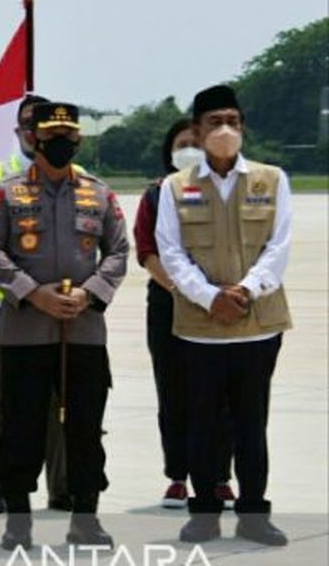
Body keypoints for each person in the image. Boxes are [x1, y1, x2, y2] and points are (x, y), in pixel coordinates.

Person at [0, 101, 128, 551]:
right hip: (25, 328)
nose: (61, 143)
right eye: (51, 136)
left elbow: (119, 251)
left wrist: (90, 292)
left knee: (85, 426)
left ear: (78, 140)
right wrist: (31, 291)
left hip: (82, 329)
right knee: (20, 425)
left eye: (68, 136)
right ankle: (18, 521)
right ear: (35, 140)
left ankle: (85, 517)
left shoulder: (98, 193)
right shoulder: (6, 193)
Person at [155, 85, 292, 547]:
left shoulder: (272, 179)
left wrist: (246, 290)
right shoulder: (177, 187)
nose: (224, 130)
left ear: (244, 127)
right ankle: (204, 515)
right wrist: (208, 296)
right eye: (214, 122)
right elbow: (170, 253)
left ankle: (254, 514)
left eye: (232, 121)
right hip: (200, 329)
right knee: (203, 425)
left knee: (252, 424)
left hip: (257, 325)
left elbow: (279, 245)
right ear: (196, 131)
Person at [0, 94, 70, 515]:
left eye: (47, 126)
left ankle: (64, 486)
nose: (37, 133)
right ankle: (2, 485)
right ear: (19, 131)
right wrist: (31, 291)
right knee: (7, 398)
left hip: (63, 306)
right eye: (30, 125)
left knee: (61, 397)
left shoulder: (77, 177)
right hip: (6, 304)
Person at [133, 119, 235, 509]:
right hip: (170, 303)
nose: (189, 149)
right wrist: (184, 290)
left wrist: (216, 295)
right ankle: (178, 476)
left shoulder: (227, 192)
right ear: (169, 150)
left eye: (196, 142)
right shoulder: (157, 195)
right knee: (173, 393)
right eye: (181, 143)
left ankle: (221, 477)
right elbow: (146, 251)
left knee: (222, 395)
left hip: (220, 305)